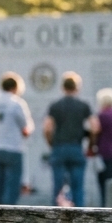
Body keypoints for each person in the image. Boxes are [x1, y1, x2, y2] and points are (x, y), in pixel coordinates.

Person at [42, 71, 96, 207]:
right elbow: (95, 127)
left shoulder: (55, 106)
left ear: (63, 87)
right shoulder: (83, 105)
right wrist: (91, 145)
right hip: (76, 147)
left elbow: (47, 128)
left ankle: (55, 216)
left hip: (59, 148)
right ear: (77, 88)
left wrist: (52, 144)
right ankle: (79, 216)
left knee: (58, 189)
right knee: (78, 188)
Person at [0, 72, 33, 204]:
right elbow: (26, 129)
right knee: (12, 187)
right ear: (15, 87)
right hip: (13, 148)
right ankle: (9, 212)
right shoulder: (16, 103)